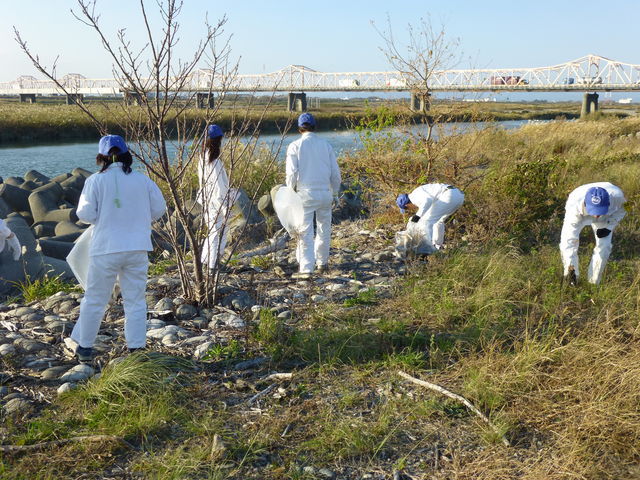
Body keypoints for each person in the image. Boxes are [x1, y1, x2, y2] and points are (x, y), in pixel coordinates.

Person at [70, 135, 166, 363]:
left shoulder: (95, 180)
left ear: (101, 157)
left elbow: (83, 214)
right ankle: (136, 349)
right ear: (126, 155)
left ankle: (85, 349)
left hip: (106, 247)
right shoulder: (142, 180)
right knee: (135, 300)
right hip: (137, 247)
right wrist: (140, 219)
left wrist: (102, 218)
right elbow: (159, 208)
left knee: (95, 299)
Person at [285, 113, 341, 279]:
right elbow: (335, 174)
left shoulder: (295, 146)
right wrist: (335, 192)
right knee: (324, 229)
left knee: (305, 232)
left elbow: (292, 174)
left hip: (305, 194)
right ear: (315, 127)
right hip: (325, 193)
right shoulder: (326, 145)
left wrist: (290, 192)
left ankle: (306, 268)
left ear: (299, 128)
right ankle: (322, 263)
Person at [560, 182, 626, 285]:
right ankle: (571, 278)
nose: (596, 216)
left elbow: (623, 210)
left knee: (605, 246)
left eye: (599, 211)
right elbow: (569, 242)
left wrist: (609, 226)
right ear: (585, 203)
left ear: (608, 203)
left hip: (606, 217)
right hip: (580, 214)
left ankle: (594, 281)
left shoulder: (617, 197)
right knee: (568, 242)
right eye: (594, 211)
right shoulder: (574, 203)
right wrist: (570, 267)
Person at [198, 124, 233, 271]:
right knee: (218, 233)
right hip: (217, 202)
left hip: (207, 200)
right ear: (218, 140)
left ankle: (206, 260)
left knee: (212, 232)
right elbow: (219, 187)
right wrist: (225, 208)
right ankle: (213, 265)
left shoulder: (202, 158)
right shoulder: (215, 162)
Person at [396, 183, 465, 253]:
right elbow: (428, 203)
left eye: (407, 209)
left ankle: (427, 249)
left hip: (449, 195)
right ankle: (437, 246)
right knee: (438, 221)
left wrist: (417, 216)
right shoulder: (417, 193)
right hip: (458, 196)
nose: (409, 210)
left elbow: (427, 201)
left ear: (407, 205)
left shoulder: (414, 197)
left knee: (427, 221)